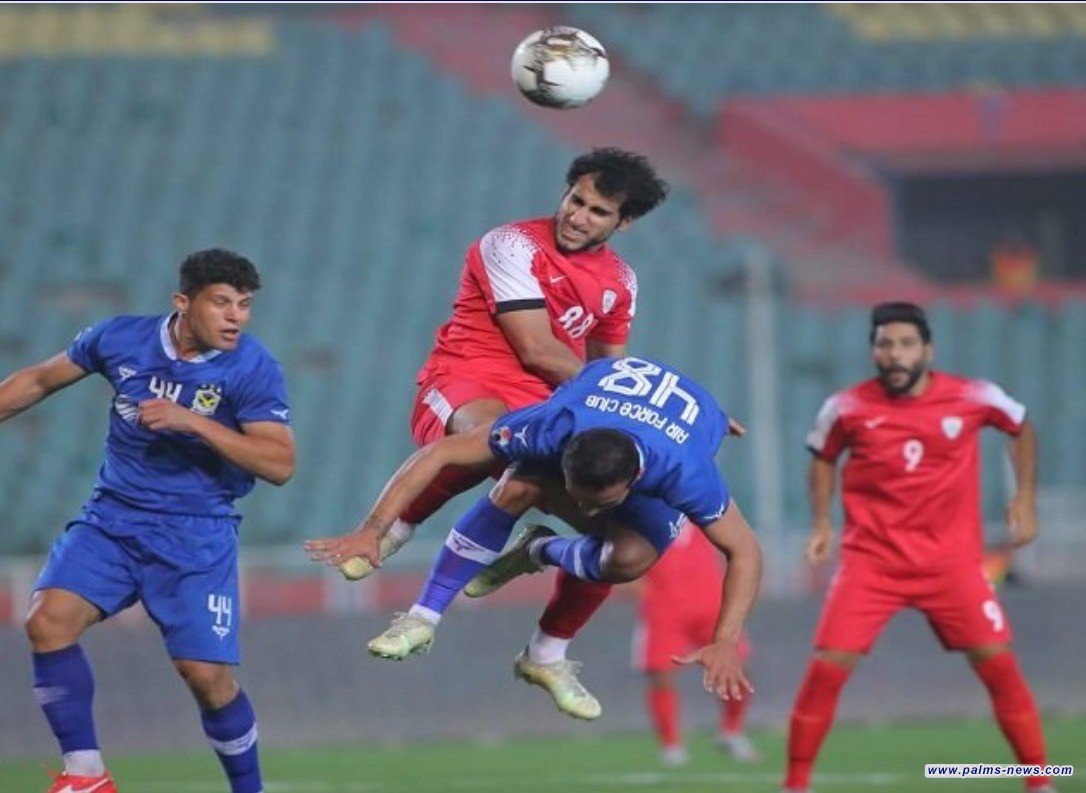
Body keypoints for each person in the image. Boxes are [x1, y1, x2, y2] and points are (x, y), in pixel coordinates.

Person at [332, 148, 669, 719]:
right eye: (575, 199)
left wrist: (630, 403)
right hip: (466, 379)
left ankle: (546, 649)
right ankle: (397, 542)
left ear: (623, 222)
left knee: (627, 527)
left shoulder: (621, 281)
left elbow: (608, 366)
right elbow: (537, 350)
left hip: (545, 406)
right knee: (497, 440)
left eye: (597, 211)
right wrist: (631, 394)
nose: (578, 215)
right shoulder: (510, 244)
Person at [307, 355, 763, 709]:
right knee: (518, 483)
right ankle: (422, 616)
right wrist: (372, 530)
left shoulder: (687, 474)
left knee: (628, 559)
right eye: (575, 493)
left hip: (675, 426)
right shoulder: (554, 424)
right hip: (603, 397)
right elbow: (442, 454)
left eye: (597, 502)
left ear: (632, 483)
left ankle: (540, 550)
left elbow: (745, 553)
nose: (581, 509)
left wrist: (725, 639)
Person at [4, 249, 295, 793]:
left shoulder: (253, 367)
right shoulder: (119, 339)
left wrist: (194, 422)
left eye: (245, 305)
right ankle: (87, 776)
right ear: (183, 303)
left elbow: (279, 464)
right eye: (222, 302)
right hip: (112, 519)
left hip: (195, 534)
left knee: (207, 679)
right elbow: (40, 381)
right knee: (47, 622)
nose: (236, 316)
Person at [781, 301, 1055, 793]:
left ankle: (1038, 780)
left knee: (999, 666)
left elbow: (1021, 425)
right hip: (872, 564)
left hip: (951, 564)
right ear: (874, 353)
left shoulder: (972, 396)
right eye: (885, 345)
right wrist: (822, 522)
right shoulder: (846, 407)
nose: (896, 354)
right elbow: (822, 458)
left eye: (906, 344)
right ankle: (795, 784)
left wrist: (1025, 498)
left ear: (927, 350)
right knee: (826, 671)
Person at [633, 522, 759, 766]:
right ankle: (671, 745)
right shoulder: (644, 517)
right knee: (661, 673)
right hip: (664, 607)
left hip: (711, 603)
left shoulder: (702, 510)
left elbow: (739, 548)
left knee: (737, 664)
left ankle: (731, 732)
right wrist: (640, 589)